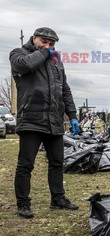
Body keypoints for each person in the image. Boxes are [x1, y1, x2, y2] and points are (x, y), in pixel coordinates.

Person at [10, 27, 80, 218]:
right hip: (31, 118)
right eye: (44, 42)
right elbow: (23, 66)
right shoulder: (19, 53)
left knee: (57, 163)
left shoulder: (56, 60)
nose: (48, 47)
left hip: (54, 120)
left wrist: (72, 115)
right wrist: (43, 52)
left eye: (52, 44)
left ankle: (58, 199)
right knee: (26, 164)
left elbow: (64, 89)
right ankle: (23, 204)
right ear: (34, 39)